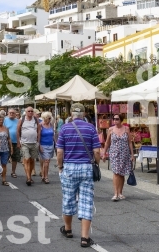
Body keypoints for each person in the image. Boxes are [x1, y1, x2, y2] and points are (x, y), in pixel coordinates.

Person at [57, 103, 101, 248]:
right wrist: (96, 164)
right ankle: (84, 237)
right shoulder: (91, 128)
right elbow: (96, 152)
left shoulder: (64, 128)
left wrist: (60, 166)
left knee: (68, 199)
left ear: (71, 114)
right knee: (86, 201)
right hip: (86, 167)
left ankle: (68, 229)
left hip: (69, 167)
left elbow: (59, 152)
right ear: (83, 114)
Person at [103, 113, 134, 201]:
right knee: (116, 173)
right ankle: (115, 193)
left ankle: (120, 192)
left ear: (121, 120)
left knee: (122, 173)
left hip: (125, 154)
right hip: (114, 154)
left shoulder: (126, 129)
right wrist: (104, 153)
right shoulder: (111, 129)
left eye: (117, 119)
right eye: (114, 119)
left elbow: (130, 142)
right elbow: (107, 142)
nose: (115, 121)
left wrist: (132, 155)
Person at [17, 106, 42, 186]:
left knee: (32, 160)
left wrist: (38, 142)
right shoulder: (22, 119)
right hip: (24, 143)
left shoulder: (35, 119)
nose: (30, 112)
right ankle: (28, 177)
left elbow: (38, 130)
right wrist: (18, 141)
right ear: (26, 112)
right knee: (26, 159)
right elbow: (17, 131)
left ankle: (30, 176)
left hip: (34, 143)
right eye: (29, 111)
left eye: (32, 111)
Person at [0, 116, 12, 187]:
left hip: (5, 149)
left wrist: (11, 147)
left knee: (4, 164)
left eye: (2, 120)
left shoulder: (6, 128)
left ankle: (4, 180)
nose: (1, 121)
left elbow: (8, 138)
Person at [39, 112, 55, 184]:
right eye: (45, 118)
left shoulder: (51, 125)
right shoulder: (40, 125)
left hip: (51, 145)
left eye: (48, 118)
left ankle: (43, 175)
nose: (47, 120)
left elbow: (53, 135)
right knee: (46, 161)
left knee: (47, 161)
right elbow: (38, 136)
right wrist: (39, 145)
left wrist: (56, 144)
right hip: (43, 145)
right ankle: (46, 177)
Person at [4, 108, 20, 179]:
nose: (11, 114)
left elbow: (20, 131)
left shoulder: (18, 121)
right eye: (10, 113)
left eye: (13, 113)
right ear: (8, 113)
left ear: (15, 114)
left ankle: (13, 172)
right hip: (6, 141)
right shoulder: (5, 120)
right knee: (5, 157)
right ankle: (3, 172)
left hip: (16, 141)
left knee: (15, 158)